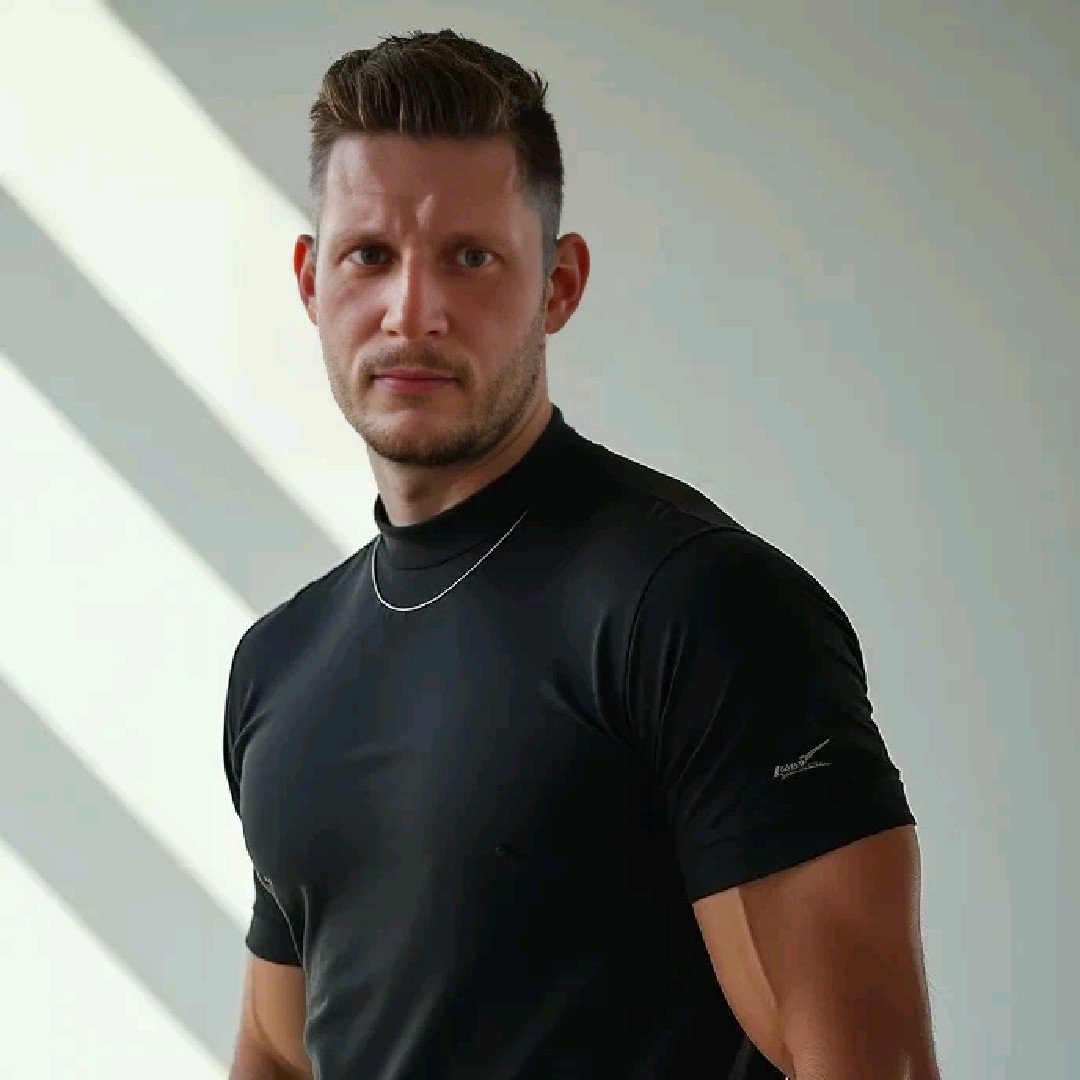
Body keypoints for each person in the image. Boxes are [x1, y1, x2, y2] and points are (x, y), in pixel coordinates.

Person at [223, 29, 939, 1080]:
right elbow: (281, 1053)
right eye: (369, 255)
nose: (412, 311)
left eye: (470, 257)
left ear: (558, 285)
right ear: (311, 280)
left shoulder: (697, 606)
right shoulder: (279, 665)